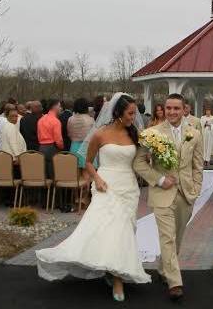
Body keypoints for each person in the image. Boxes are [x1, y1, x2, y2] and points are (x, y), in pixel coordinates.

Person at [36, 93, 150, 302]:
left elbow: (140, 161)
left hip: (128, 186)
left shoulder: (135, 134)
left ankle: (112, 267)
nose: (134, 117)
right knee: (113, 228)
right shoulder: (100, 134)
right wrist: (96, 179)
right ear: (117, 113)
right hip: (105, 184)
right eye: (130, 113)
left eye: (134, 113)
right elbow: (87, 161)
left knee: (124, 229)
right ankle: (117, 278)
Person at [134, 93, 204, 302]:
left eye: (176, 108)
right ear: (163, 110)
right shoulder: (151, 133)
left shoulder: (195, 133)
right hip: (162, 193)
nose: (172, 112)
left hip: (186, 193)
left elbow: (198, 165)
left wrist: (196, 189)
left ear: (185, 110)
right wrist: (158, 179)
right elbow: (139, 163)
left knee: (178, 237)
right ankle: (175, 282)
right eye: (168, 108)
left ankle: (164, 269)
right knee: (167, 238)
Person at [37, 99, 63, 179]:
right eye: (59, 106)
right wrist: (61, 147)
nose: (61, 108)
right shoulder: (56, 121)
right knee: (54, 175)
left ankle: (45, 191)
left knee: (44, 174)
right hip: (52, 148)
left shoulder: (41, 120)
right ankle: (55, 191)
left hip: (41, 148)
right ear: (54, 107)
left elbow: (38, 135)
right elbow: (59, 140)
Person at [68, 98, 95, 168]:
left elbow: (69, 134)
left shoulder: (70, 119)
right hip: (86, 148)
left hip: (74, 146)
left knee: (75, 173)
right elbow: (93, 136)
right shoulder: (91, 120)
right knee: (86, 173)